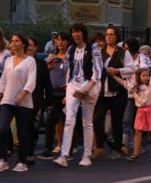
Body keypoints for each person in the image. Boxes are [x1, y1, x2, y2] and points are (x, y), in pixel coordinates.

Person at [53, 23, 102, 168]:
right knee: (69, 119)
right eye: (73, 32)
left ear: (83, 33)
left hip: (89, 85)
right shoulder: (71, 49)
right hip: (74, 85)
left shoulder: (93, 49)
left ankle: (86, 155)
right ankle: (64, 155)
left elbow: (98, 71)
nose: (75, 35)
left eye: (78, 32)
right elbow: (69, 68)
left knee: (86, 121)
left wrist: (88, 87)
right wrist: (68, 86)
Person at [0, 33, 37, 173]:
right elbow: (3, 81)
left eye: (17, 41)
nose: (14, 43)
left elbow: (31, 82)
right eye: (12, 41)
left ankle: (22, 162)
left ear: (23, 44)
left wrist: (22, 95)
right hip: (7, 100)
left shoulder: (30, 61)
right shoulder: (8, 61)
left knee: (22, 133)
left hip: (24, 103)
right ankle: (2, 160)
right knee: (2, 128)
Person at [93, 25, 133, 161]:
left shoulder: (123, 52)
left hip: (117, 91)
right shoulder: (99, 51)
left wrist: (116, 71)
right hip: (101, 92)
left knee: (116, 121)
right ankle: (100, 147)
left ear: (117, 37)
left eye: (112, 34)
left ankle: (117, 149)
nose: (109, 36)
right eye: (107, 34)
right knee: (97, 119)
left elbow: (131, 69)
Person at [39, 32, 69, 159]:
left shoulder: (70, 57)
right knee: (52, 120)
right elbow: (43, 72)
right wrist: (49, 67)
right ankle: (52, 147)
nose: (60, 42)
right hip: (53, 92)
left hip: (66, 93)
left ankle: (61, 147)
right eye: (58, 40)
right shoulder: (52, 56)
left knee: (61, 120)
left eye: (63, 40)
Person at [127, 68, 151, 162]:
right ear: (138, 77)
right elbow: (125, 84)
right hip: (141, 110)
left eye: (147, 75)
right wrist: (114, 76)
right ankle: (135, 153)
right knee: (137, 131)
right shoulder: (136, 87)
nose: (146, 77)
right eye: (143, 76)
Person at [26, 36, 52, 164]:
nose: (28, 47)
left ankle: (29, 153)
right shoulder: (17, 62)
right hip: (19, 100)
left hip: (35, 100)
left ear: (36, 47)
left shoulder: (41, 64)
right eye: (27, 45)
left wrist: (48, 101)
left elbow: (47, 83)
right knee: (22, 128)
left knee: (31, 127)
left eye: (31, 45)